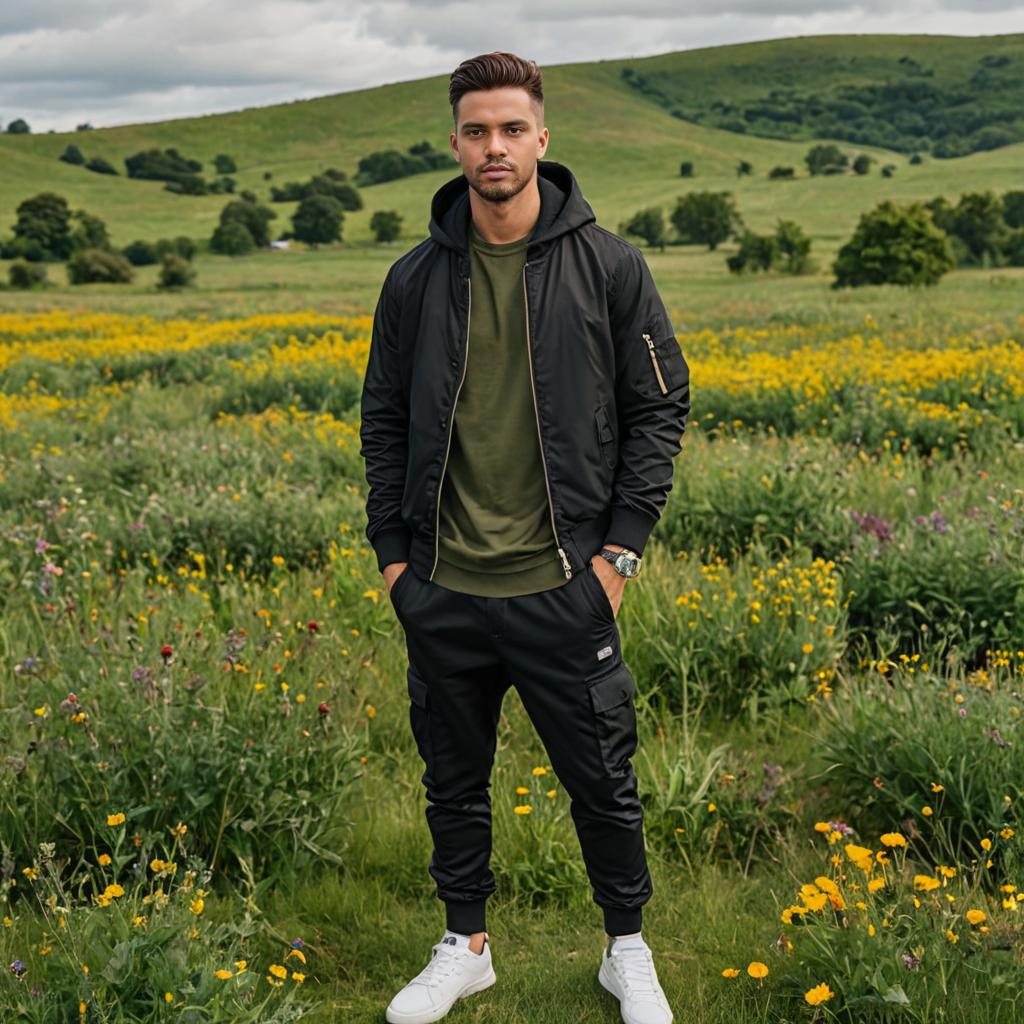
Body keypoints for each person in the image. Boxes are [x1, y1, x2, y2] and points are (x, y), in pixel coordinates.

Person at [359, 50, 690, 1024]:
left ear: (543, 138)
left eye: (511, 128)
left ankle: (626, 950)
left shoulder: (610, 264)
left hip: (563, 586)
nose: (493, 146)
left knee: (603, 783)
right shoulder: (415, 277)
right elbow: (382, 417)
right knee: (452, 781)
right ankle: (465, 946)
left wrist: (617, 556)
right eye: (476, 129)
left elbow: (660, 406)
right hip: (442, 586)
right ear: (454, 141)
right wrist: (393, 559)